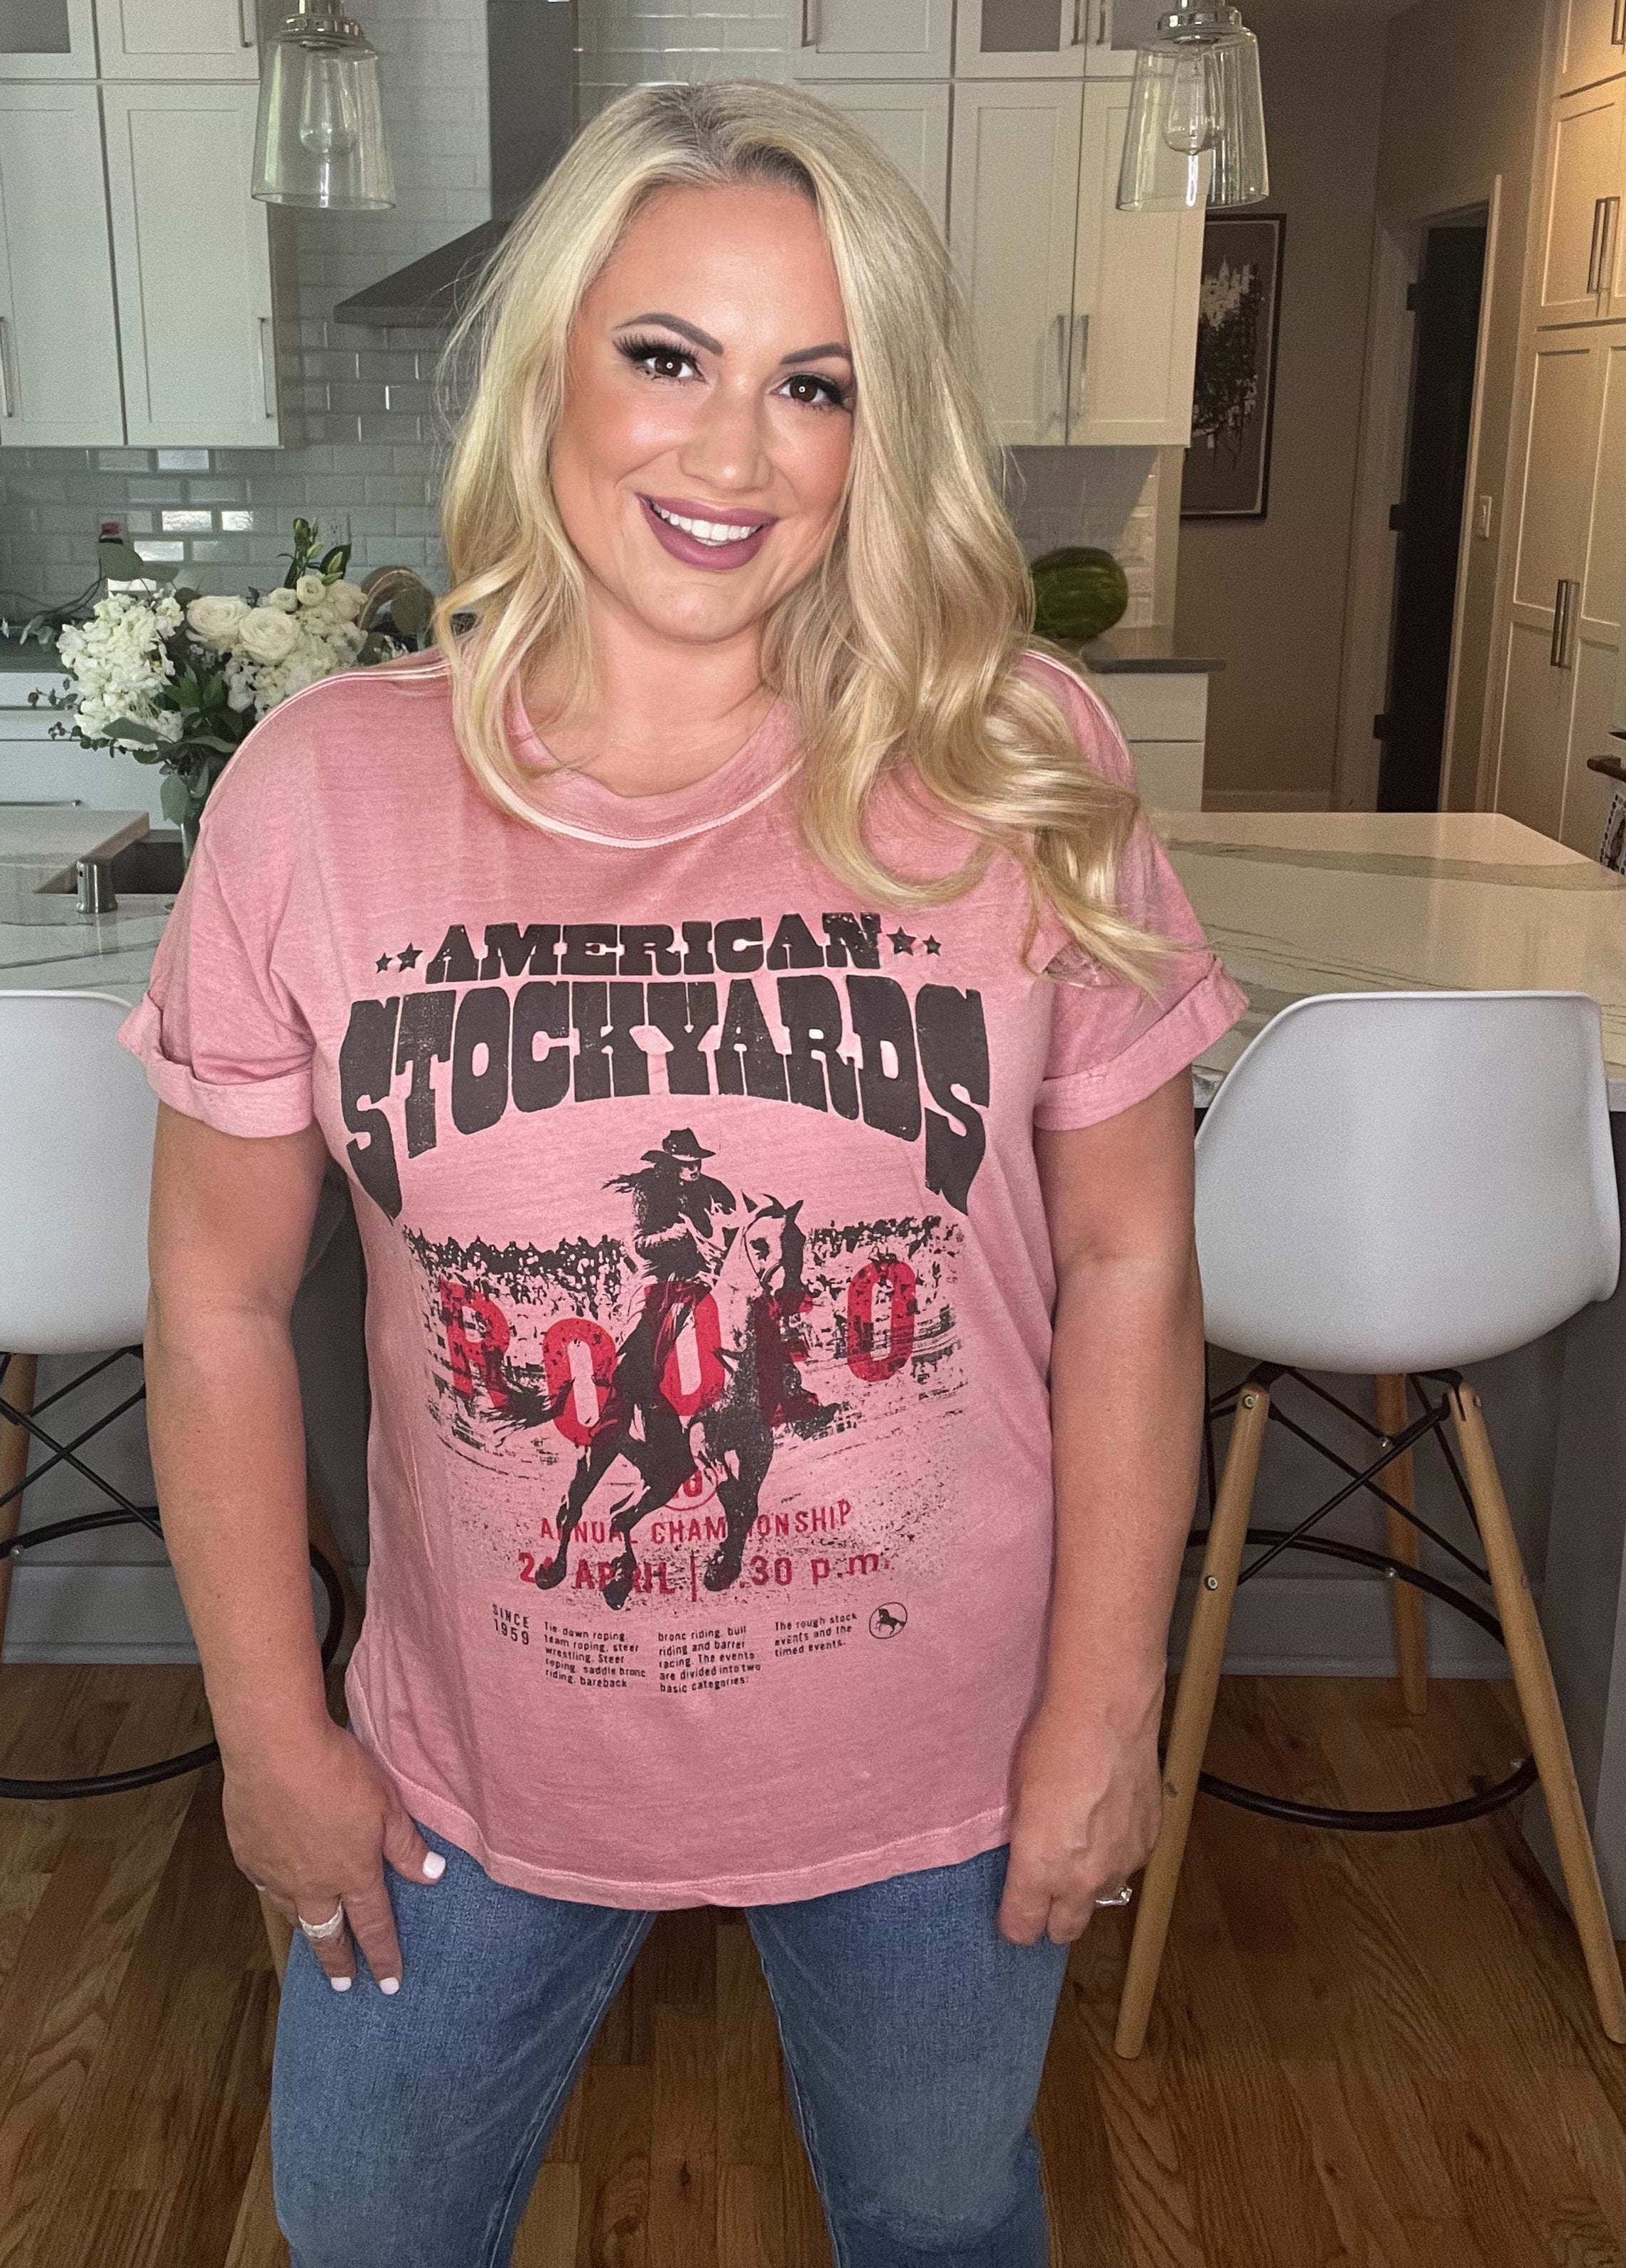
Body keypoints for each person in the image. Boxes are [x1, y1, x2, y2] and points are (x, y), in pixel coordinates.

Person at [124, 77, 1246, 2268]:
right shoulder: (323, 794)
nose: (734, 455)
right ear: (552, 361)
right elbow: (217, 1295)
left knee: (942, 2221)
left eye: (815, 384)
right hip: (469, 1772)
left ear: (878, 433)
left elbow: (1131, 1256)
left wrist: (1106, 1713)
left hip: (941, 1760)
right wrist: (269, 1731)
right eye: (668, 356)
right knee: (361, 2231)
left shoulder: (1013, 756)